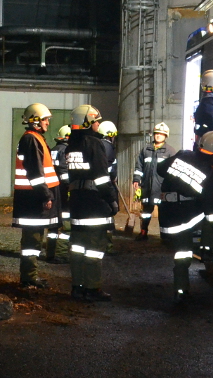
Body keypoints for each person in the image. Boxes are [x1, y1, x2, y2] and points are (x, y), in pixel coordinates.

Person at [157, 131, 213, 307]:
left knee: (182, 251)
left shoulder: (182, 155)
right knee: (209, 217)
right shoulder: (211, 173)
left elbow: (160, 169)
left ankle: (181, 291)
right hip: (183, 218)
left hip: (166, 216)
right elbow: (212, 211)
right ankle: (206, 250)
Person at [65, 104, 117, 302]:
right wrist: (111, 200)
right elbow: (102, 177)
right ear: (87, 122)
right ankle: (92, 288)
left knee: (77, 247)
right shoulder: (94, 143)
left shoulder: (71, 145)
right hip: (94, 203)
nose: (98, 125)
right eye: (95, 121)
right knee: (94, 248)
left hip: (77, 203)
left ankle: (77, 287)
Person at [12, 103, 61, 289]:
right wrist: (46, 195)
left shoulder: (34, 138)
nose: (48, 122)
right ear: (35, 121)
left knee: (34, 240)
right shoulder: (32, 140)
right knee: (32, 240)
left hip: (31, 198)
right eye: (45, 119)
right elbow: (36, 173)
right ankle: (29, 278)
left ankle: (30, 276)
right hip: (33, 200)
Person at [133, 121, 175, 241]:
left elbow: (173, 171)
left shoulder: (170, 151)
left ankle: (165, 237)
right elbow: (139, 167)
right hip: (147, 187)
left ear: (166, 136)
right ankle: (143, 233)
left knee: (164, 213)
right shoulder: (146, 149)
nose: (158, 135)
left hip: (162, 189)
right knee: (145, 212)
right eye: (157, 133)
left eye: (161, 134)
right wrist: (136, 180)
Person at [45, 124, 72, 262]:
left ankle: (50, 253)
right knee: (66, 226)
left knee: (53, 226)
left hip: (53, 192)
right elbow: (64, 174)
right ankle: (61, 254)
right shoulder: (65, 150)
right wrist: (71, 187)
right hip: (63, 194)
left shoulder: (53, 149)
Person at [97, 120, 119, 254]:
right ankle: (108, 247)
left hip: (95, 189)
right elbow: (109, 170)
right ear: (110, 135)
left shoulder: (97, 144)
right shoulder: (109, 148)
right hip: (106, 187)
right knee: (108, 217)